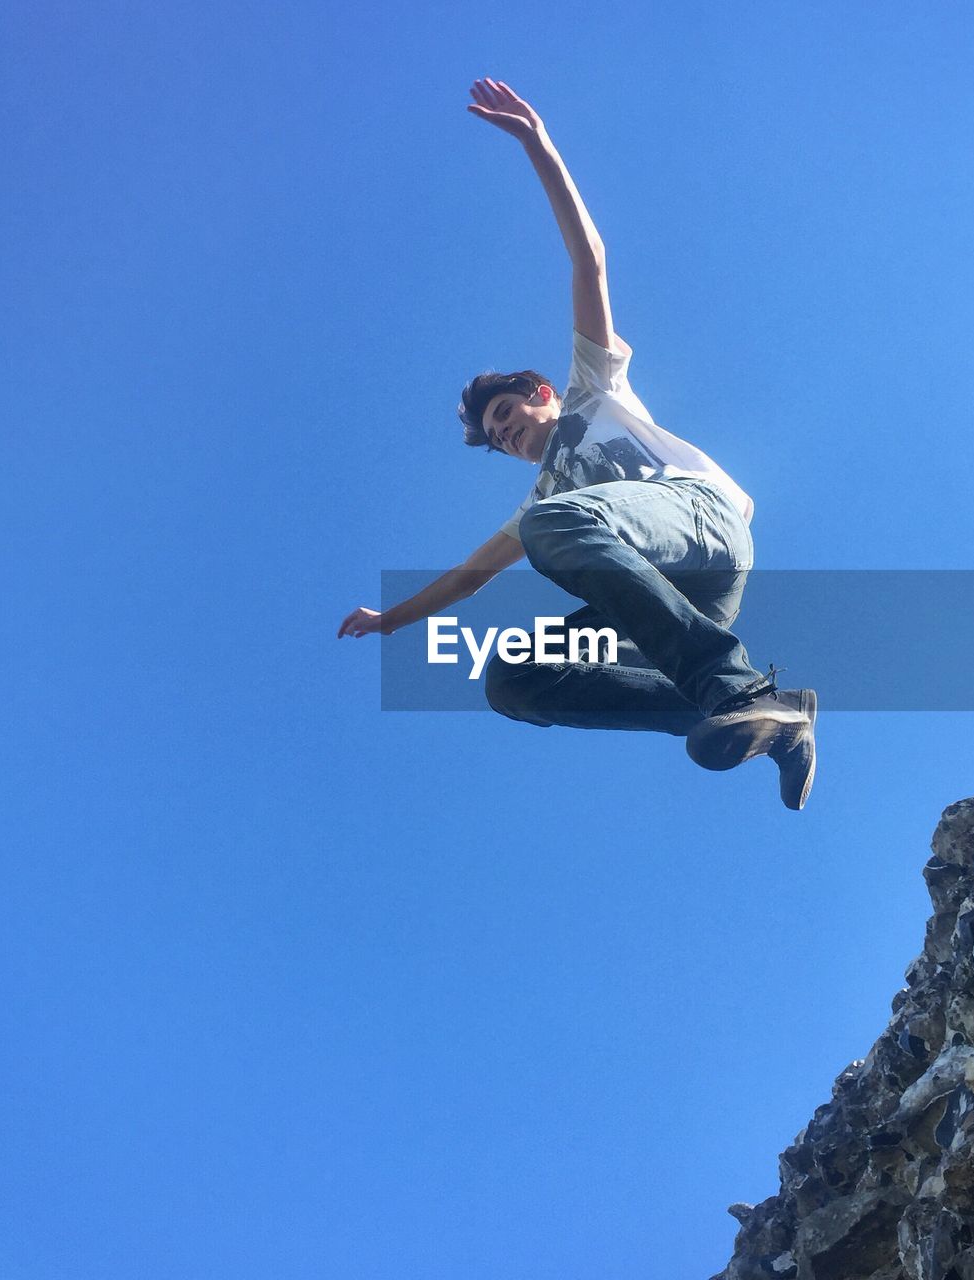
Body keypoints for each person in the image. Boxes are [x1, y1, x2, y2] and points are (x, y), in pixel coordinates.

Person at [338, 79, 817, 810]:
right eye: (497, 437)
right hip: (662, 602)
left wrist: (538, 144)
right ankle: (762, 716)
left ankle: (735, 684)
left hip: (702, 531)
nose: (506, 432)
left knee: (552, 524)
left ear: (540, 393)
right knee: (514, 677)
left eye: (506, 413)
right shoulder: (545, 500)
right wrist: (388, 620)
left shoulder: (594, 388)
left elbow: (587, 259)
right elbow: (467, 579)